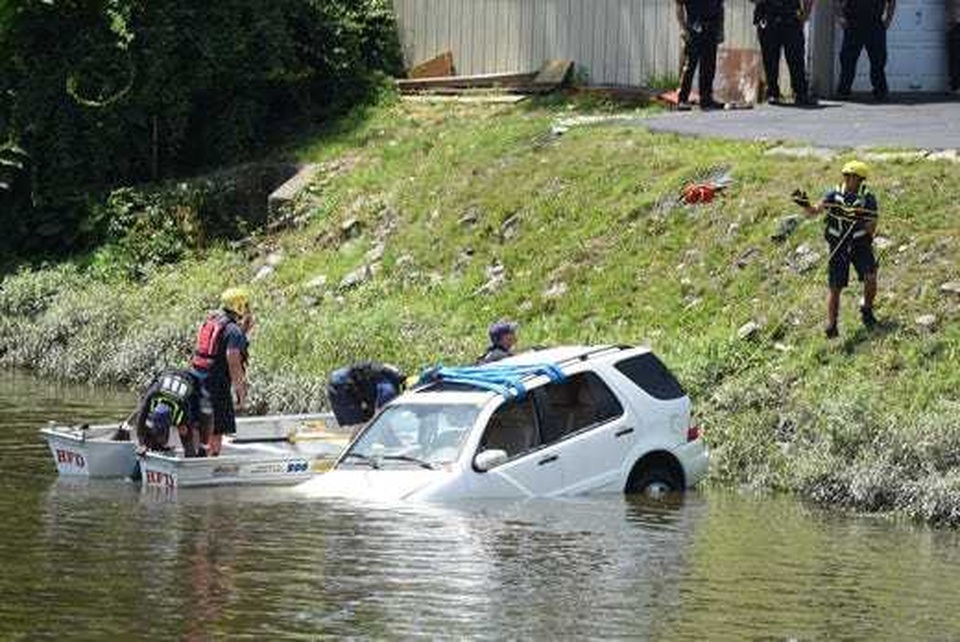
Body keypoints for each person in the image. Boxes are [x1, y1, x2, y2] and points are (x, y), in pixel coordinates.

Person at [794, 160, 879, 338]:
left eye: (851, 176)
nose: (847, 179)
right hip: (838, 246)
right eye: (845, 175)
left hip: (859, 245)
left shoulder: (868, 199)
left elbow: (872, 226)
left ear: (860, 179)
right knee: (835, 287)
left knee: (870, 277)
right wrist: (805, 205)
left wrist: (859, 219)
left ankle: (867, 310)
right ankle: (832, 325)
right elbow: (814, 212)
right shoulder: (833, 194)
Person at [189, 287, 252, 456]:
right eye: (245, 305)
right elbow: (233, 361)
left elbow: (216, 346)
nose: (247, 309)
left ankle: (194, 455)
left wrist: (244, 331)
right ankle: (211, 459)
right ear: (238, 306)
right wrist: (241, 392)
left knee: (198, 422)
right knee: (217, 428)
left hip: (196, 379)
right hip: (216, 384)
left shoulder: (210, 321)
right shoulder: (233, 331)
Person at [752, 0, 816, 105]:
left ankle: (800, 93)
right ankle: (772, 93)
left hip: (791, 17)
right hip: (768, 16)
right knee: (770, 59)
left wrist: (806, 13)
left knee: (796, 58)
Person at [135, 369, 208, 457]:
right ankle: (155, 446)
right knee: (144, 427)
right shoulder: (150, 399)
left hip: (190, 382)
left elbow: (186, 434)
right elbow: (139, 422)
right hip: (166, 375)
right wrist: (141, 445)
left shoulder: (182, 410)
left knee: (190, 429)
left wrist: (190, 453)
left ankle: (202, 449)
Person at [836, 0, 896, 101]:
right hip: (853, 24)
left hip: (875, 24)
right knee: (847, 61)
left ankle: (881, 92)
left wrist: (888, 19)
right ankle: (843, 92)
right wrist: (841, 18)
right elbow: (837, 2)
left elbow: (892, 2)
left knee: (878, 61)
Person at [675, 0, 726, 111]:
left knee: (709, 65)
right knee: (690, 65)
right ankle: (682, 99)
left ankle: (706, 99)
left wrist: (721, 30)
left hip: (712, 28)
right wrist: (682, 28)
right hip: (694, 28)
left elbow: (720, 7)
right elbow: (679, 6)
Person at [326, 362, 405, 430]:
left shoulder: (386, 375)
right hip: (343, 385)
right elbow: (380, 418)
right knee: (361, 423)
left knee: (364, 420)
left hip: (339, 380)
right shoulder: (389, 388)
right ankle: (354, 446)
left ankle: (354, 444)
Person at [950, 0, 960, 94]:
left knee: (955, 58)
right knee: (955, 57)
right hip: (955, 25)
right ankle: (956, 86)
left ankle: (956, 86)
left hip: (956, 26)